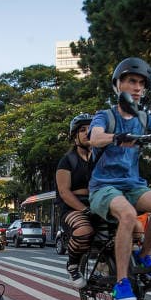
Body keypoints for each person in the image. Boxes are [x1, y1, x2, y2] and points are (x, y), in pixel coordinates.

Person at [88, 57, 151, 300]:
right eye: (131, 81)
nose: (137, 87)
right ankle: (122, 283)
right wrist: (115, 137)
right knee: (127, 214)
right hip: (104, 186)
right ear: (118, 85)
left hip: (132, 183)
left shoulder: (144, 118)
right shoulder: (106, 116)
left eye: (141, 84)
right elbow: (95, 138)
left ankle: (145, 255)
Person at [55, 113, 95, 288]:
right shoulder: (68, 160)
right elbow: (64, 192)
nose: (87, 133)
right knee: (84, 230)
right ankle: (72, 265)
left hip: (98, 203)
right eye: (82, 130)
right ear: (75, 136)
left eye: (91, 129)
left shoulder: (100, 159)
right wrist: (84, 209)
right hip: (72, 208)